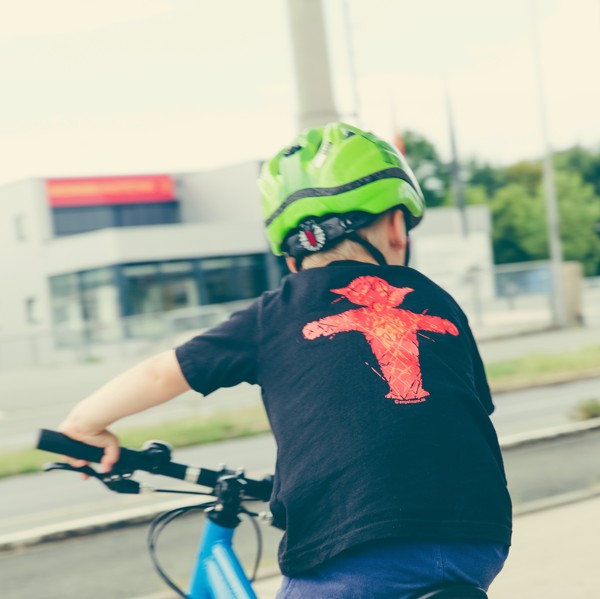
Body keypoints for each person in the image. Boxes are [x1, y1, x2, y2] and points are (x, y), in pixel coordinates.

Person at [58, 122, 512, 598]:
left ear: (292, 259)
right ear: (398, 228)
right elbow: (467, 409)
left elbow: (160, 373)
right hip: (478, 537)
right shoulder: (439, 301)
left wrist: (83, 423)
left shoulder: (276, 313)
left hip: (355, 546)